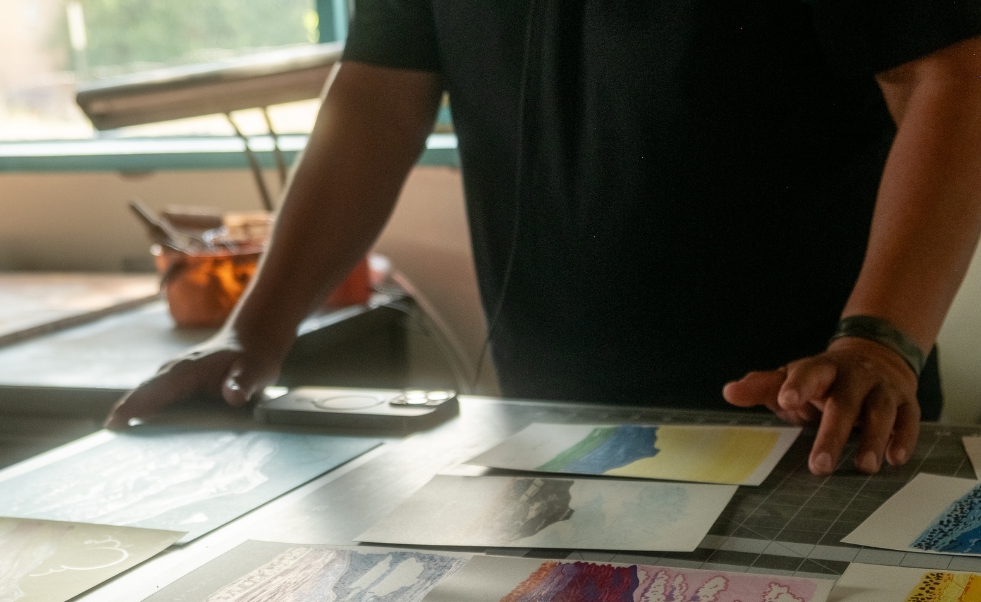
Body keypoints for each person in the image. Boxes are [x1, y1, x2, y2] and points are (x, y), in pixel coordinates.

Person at [107, 1, 981, 478]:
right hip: (552, 429)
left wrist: (881, 341)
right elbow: (376, 93)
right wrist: (251, 334)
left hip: (812, 418)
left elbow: (952, 78)